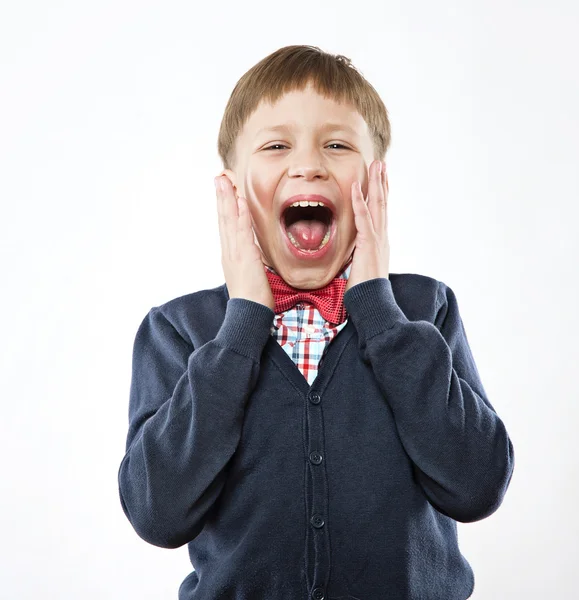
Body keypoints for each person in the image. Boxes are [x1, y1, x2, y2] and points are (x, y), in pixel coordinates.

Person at [118, 44, 515, 600]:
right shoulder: (178, 329)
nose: (307, 164)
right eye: (276, 145)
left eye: (336, 144)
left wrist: (378, 311)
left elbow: (477, 486)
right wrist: (242, 326)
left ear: (376, 182)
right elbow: (157, 512)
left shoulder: (425, 310)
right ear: (232, 188)